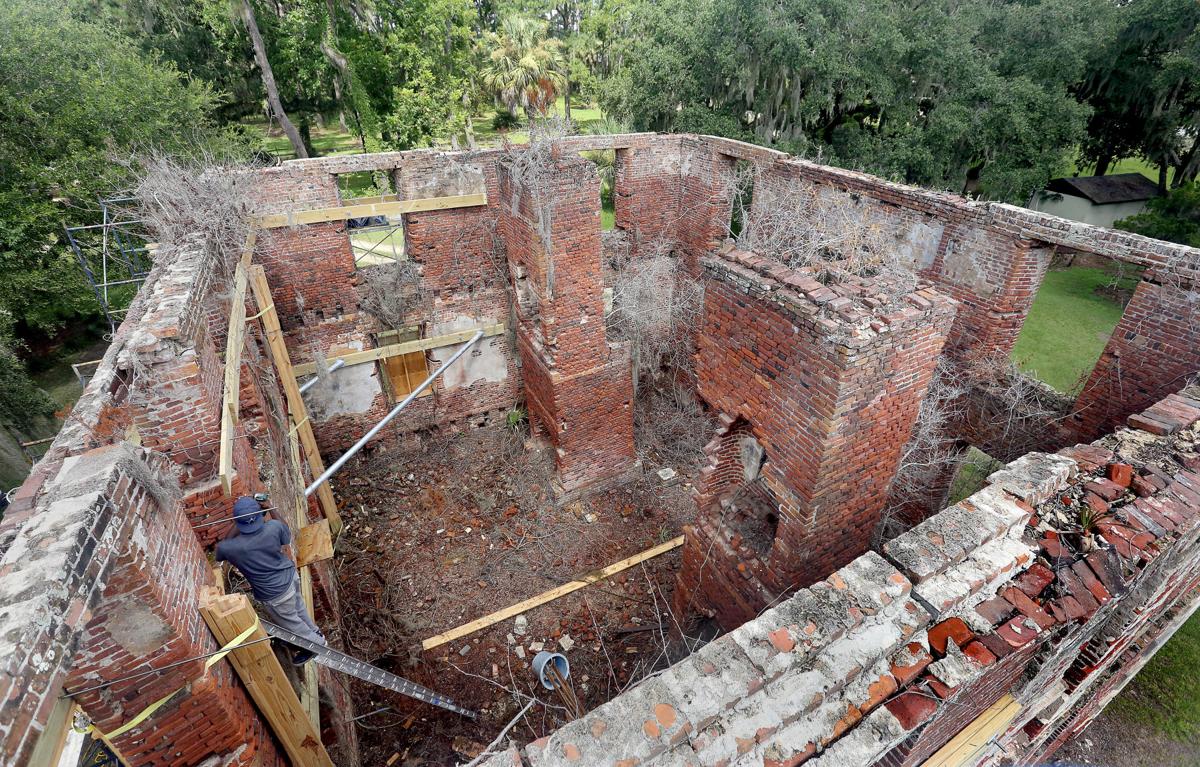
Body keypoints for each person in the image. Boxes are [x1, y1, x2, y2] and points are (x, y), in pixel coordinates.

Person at [215, 496, 325, 664]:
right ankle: (315, 633)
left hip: (275, 594)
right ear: (259, 515)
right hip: (290, 577)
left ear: (239, 522)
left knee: (292, 623)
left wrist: (240, 521)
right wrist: (269, 507)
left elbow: (221, 548)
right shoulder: (273, 527)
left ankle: (315, 646)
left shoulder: (232, 548)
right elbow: (286, 534)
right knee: (298, 608)